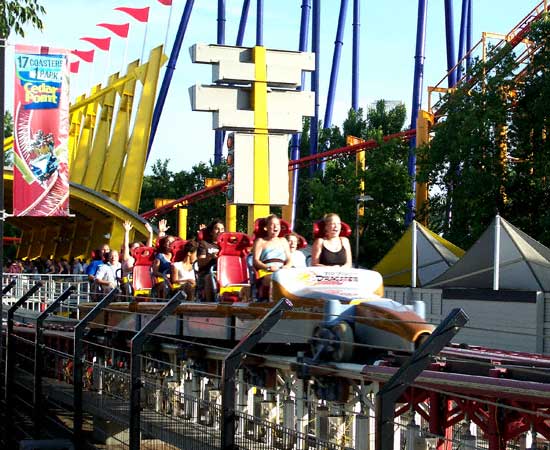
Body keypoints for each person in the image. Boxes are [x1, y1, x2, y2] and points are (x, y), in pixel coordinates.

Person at [252, 214, 292, 298]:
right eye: (272, 225)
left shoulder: (283, 241)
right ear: (266, 227)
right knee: (276, 279)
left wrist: (287, 266)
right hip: (266, 272)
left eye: (277, 225)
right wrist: (268, 268)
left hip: (282, 271)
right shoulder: (261, 241)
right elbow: (255, 261)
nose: (275, 227)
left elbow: (289, 259)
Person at [197, 219, 225, 301]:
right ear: (211, 232)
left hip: (223, 272)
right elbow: (200, 263)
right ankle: (210, 303)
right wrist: (211, 257)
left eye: (222, 229)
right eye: (217, 229)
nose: (220, 231)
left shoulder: (226, 245)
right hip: (207, 273)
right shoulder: (204, 244)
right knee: (209, 277)